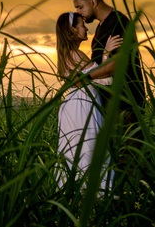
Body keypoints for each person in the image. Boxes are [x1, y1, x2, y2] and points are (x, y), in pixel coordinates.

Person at [70, 0, 145, 176]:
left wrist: (83, 79)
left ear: (93, 1)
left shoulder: (118, 23)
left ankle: (134, 201)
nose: (79, 12)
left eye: (80, 7)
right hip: (109, 105)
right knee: (114, 162)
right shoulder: (100, 30)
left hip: (125, 104)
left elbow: (117, 63)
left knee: (128, 162)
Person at [54, 11, 120, 188]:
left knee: (75, 150)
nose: (86, 28)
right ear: (72, 30)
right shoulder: (77, 55)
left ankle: (73, 191)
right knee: (90, 149)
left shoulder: (65, 55)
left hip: (72, 106)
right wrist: (106, 53)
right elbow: (106, 79)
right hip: (83, 106)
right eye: (82, 24)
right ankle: (94, 193)